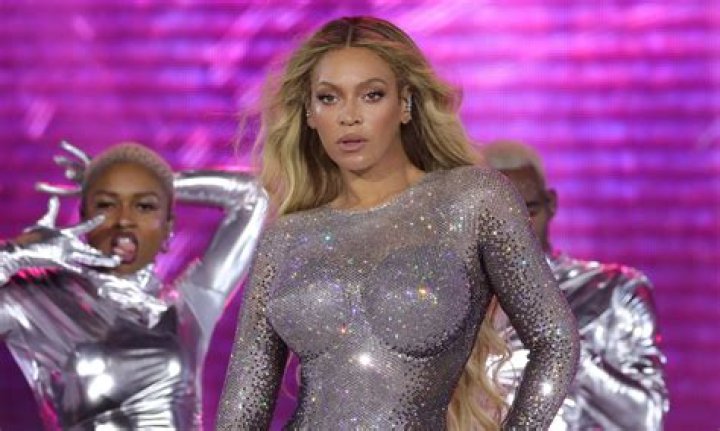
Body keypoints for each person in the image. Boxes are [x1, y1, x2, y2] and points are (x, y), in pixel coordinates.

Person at [216, 16, 580, 430]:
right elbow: (242, 408)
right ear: (310, 114)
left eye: (371, 95)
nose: (349, 116)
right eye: (329, 98)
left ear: (405, 103)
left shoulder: (472, 199)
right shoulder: (286, 237)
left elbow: (555, 341)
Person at [0, 141, 267, 429]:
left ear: (168, 228)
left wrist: (157, 182)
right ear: (84, 217)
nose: (124, 220)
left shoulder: (185, 309)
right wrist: (16, 253)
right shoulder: (36, 299)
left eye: (144, 206)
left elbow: (252, 197)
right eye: (106, 204)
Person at [480, 140, 669, 430]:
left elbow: (645, 418)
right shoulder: (455, 303)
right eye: (499, 217)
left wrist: (566, 348)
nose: (516, 228)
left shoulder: (613, 293)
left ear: (551, 204)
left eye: (529, 210)